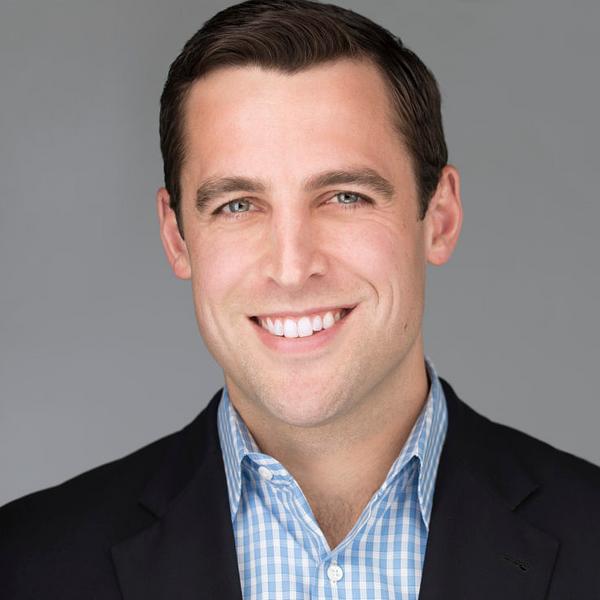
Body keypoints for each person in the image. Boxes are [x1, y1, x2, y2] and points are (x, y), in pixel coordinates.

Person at [2, 0, 599, 598]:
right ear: (177, 236)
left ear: (439, 217)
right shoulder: (25, 565)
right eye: (237, 205)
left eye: (345, 197)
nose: (291, 269)